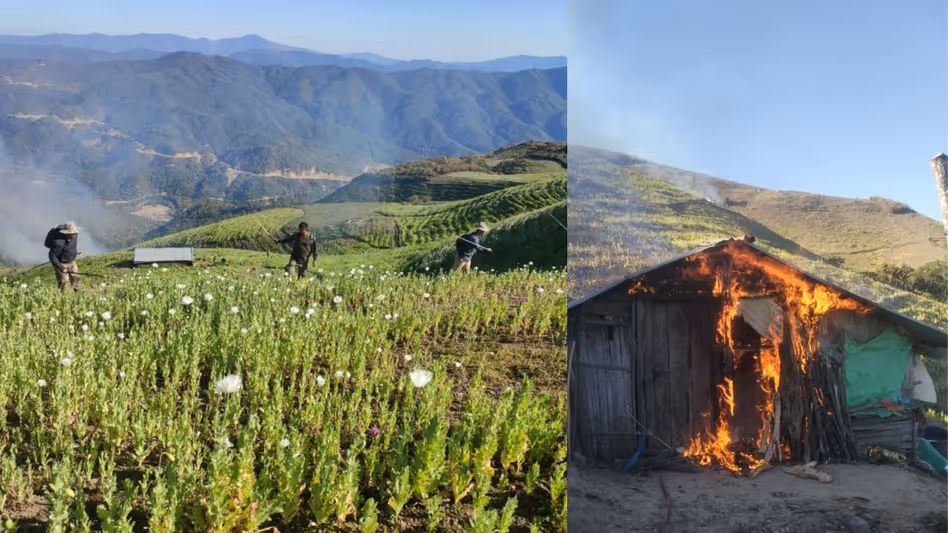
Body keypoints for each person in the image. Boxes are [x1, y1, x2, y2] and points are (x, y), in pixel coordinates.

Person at [45, 221, 81, 291]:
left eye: (75, 232)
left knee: (75, 277)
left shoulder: (74, 235)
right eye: (72, 233)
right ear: (66, 233)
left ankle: (77, 291)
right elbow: (52, 255)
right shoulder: (58, 242)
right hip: (61, 263)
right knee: (63, 281)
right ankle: (62, 295)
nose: (75, 234)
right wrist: (60, 267)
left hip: (72, 261)